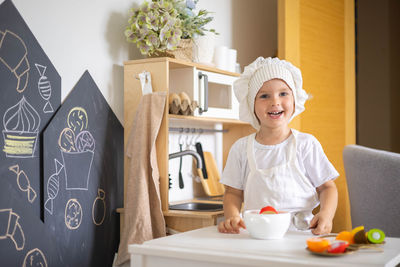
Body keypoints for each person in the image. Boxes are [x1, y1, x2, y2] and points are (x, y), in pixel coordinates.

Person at [218, 57, 338, 235]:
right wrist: (233, 216)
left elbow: (327, 187)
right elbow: (233, 194)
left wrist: (326, 215)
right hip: (257, 235)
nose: (275, 102)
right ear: (252, 105)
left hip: (301, 235)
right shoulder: (241, 149)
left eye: (283, 93)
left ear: (294, 99)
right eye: (264, 96)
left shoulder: (306, 144)